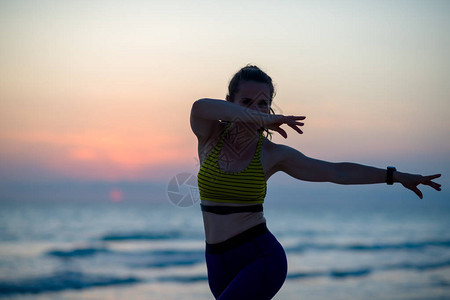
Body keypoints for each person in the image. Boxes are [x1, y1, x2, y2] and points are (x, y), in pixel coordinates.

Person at [189, 65, 441, 300]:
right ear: (229, 102)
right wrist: (261, 119)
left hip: (260, 257)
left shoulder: (273, 154)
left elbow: (336, 172)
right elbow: (200, 107)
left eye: (263, 104)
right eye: (246, 102)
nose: (256, 110)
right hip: (216, 260)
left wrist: (394, 176)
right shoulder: (210, 136)